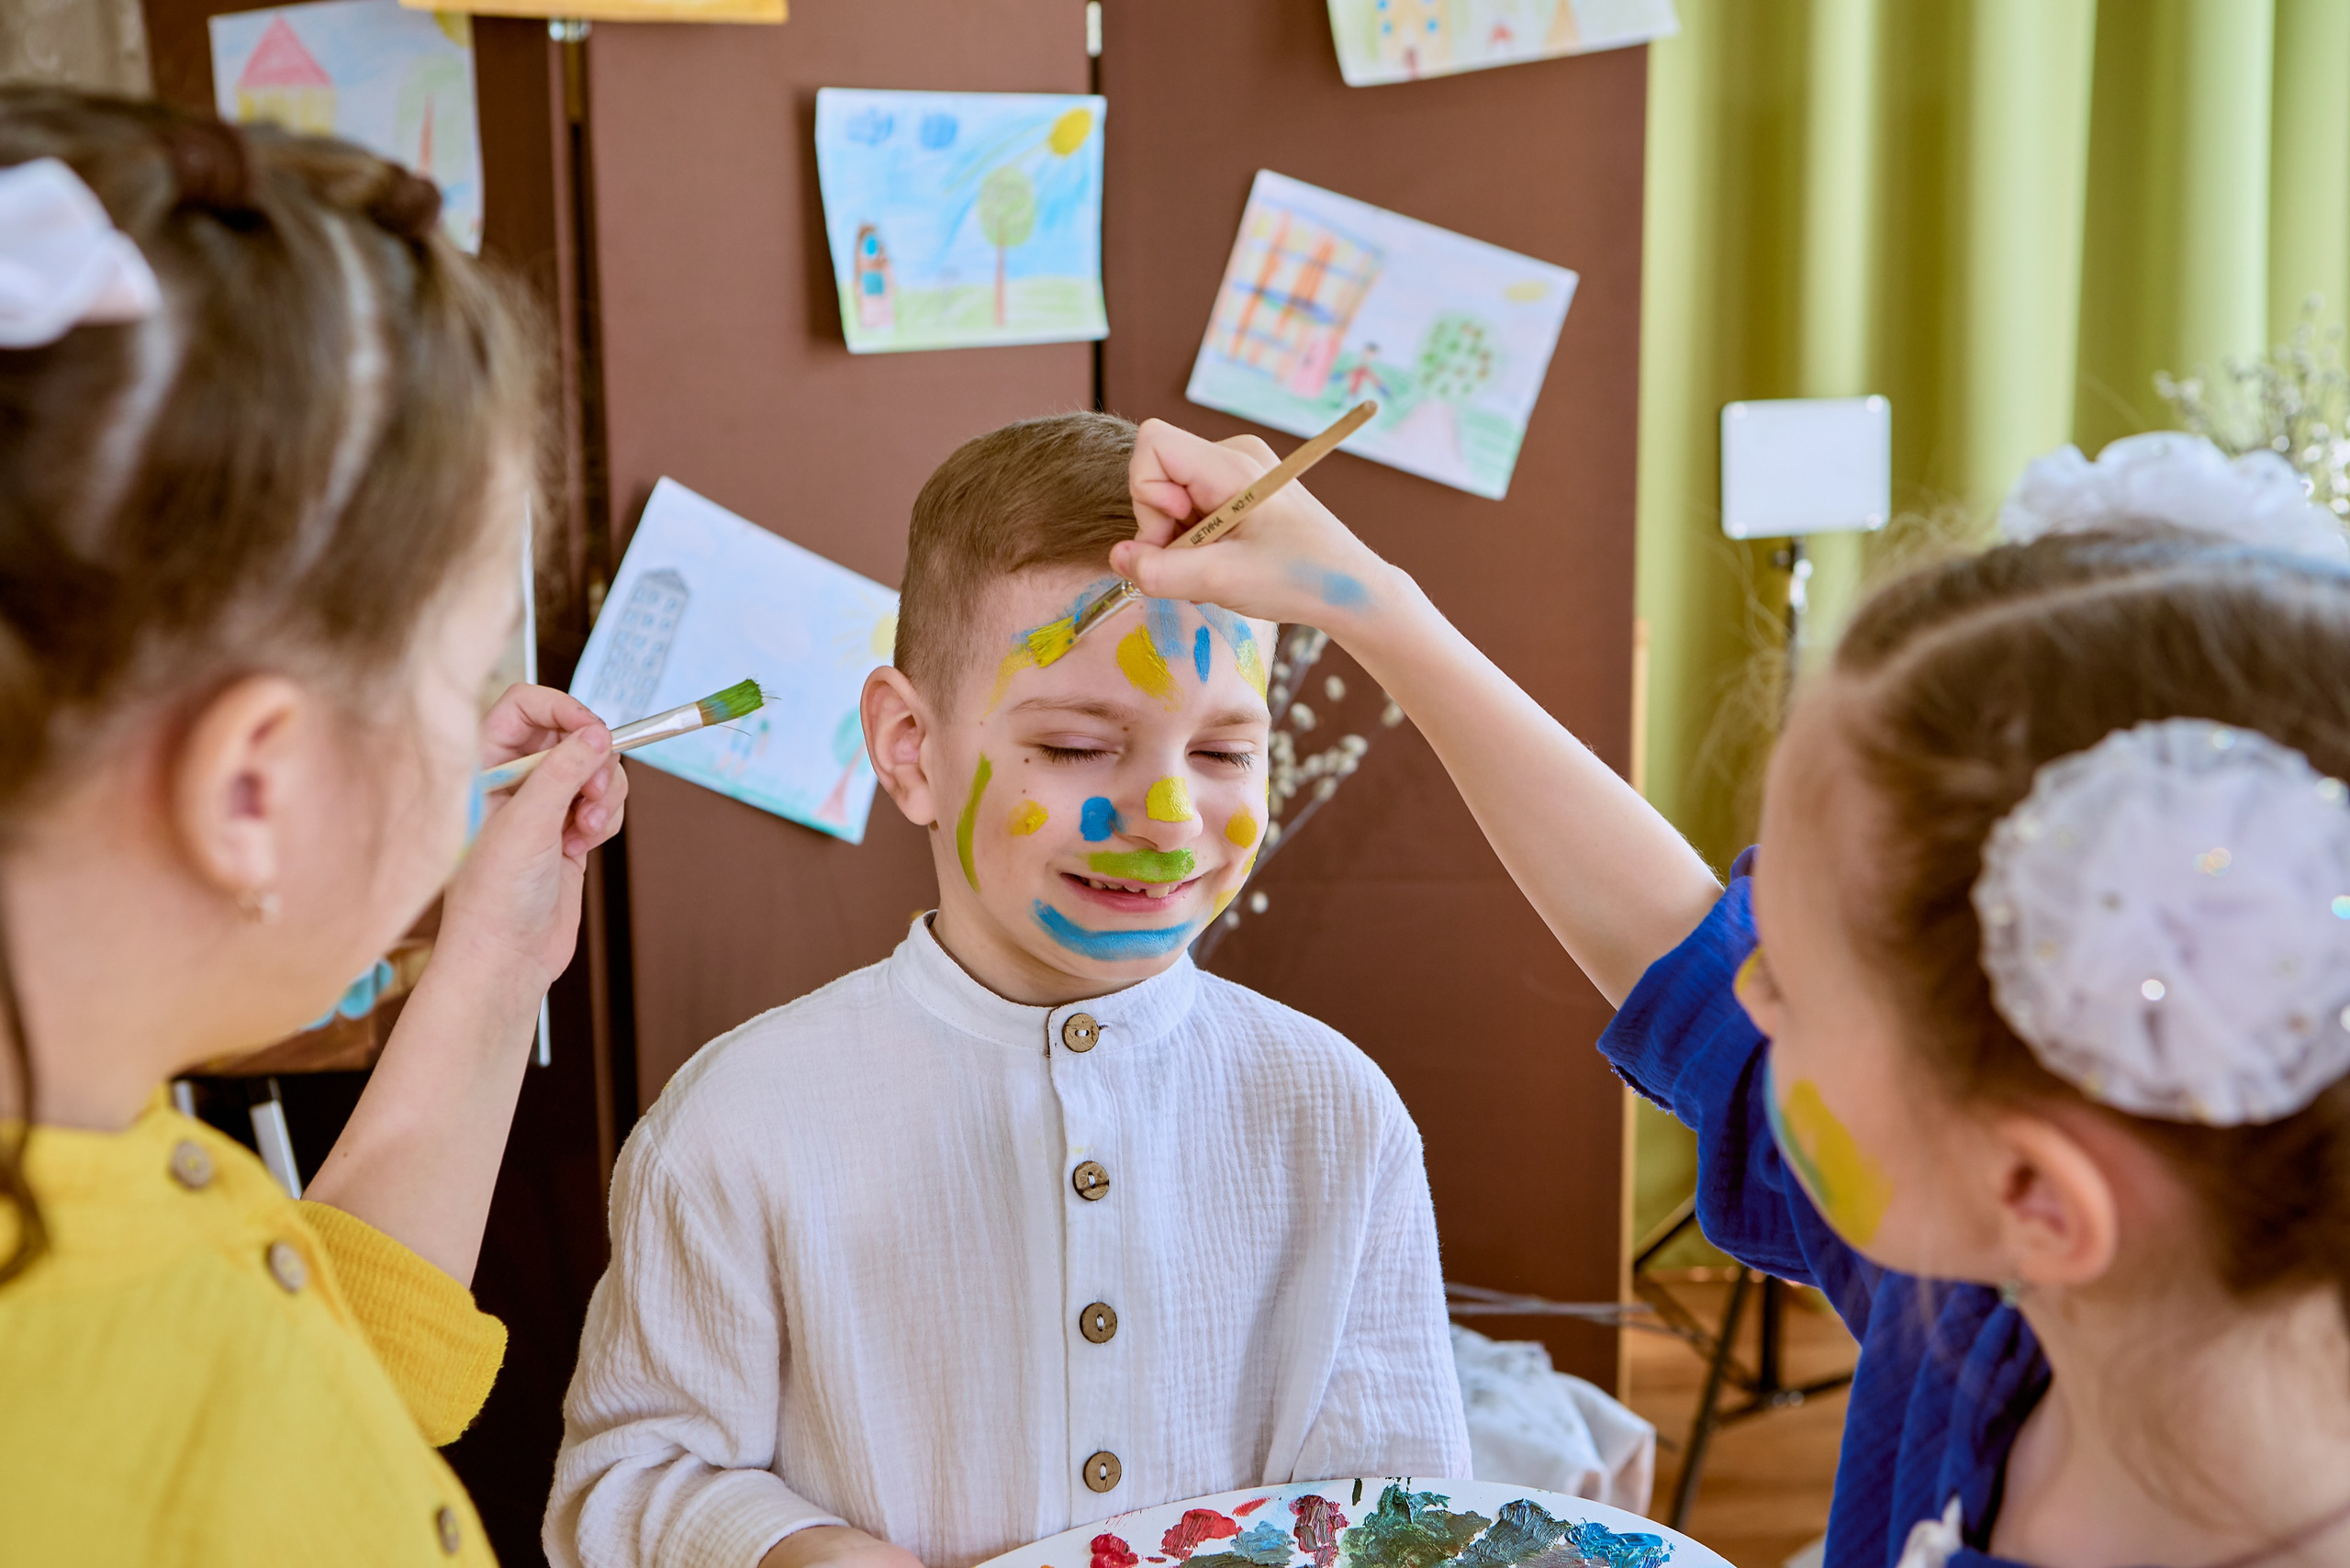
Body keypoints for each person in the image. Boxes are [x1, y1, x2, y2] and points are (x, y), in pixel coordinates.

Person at [1111, 422, 2350, 1567]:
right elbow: (1672, 942)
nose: (1746, 986)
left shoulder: (1965, 1311)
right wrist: (1375, 608)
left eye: (1795, 987)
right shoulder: (1992, 1297)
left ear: (2033, 1190)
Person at [547, 413, 1470, 1568]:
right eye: (1079, 746)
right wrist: (796, 1552)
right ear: (909, 748)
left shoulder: (1337, 1111)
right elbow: (627, 1480)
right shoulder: (737, 1122)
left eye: (1225, 752)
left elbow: (1406, 1513)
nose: (1171, 816)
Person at [0, 92, 626, 1563]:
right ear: (250, 792)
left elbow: (305, 1359)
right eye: (460, 669)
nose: (485, 717)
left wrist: (484, 973)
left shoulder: (87, 1132)